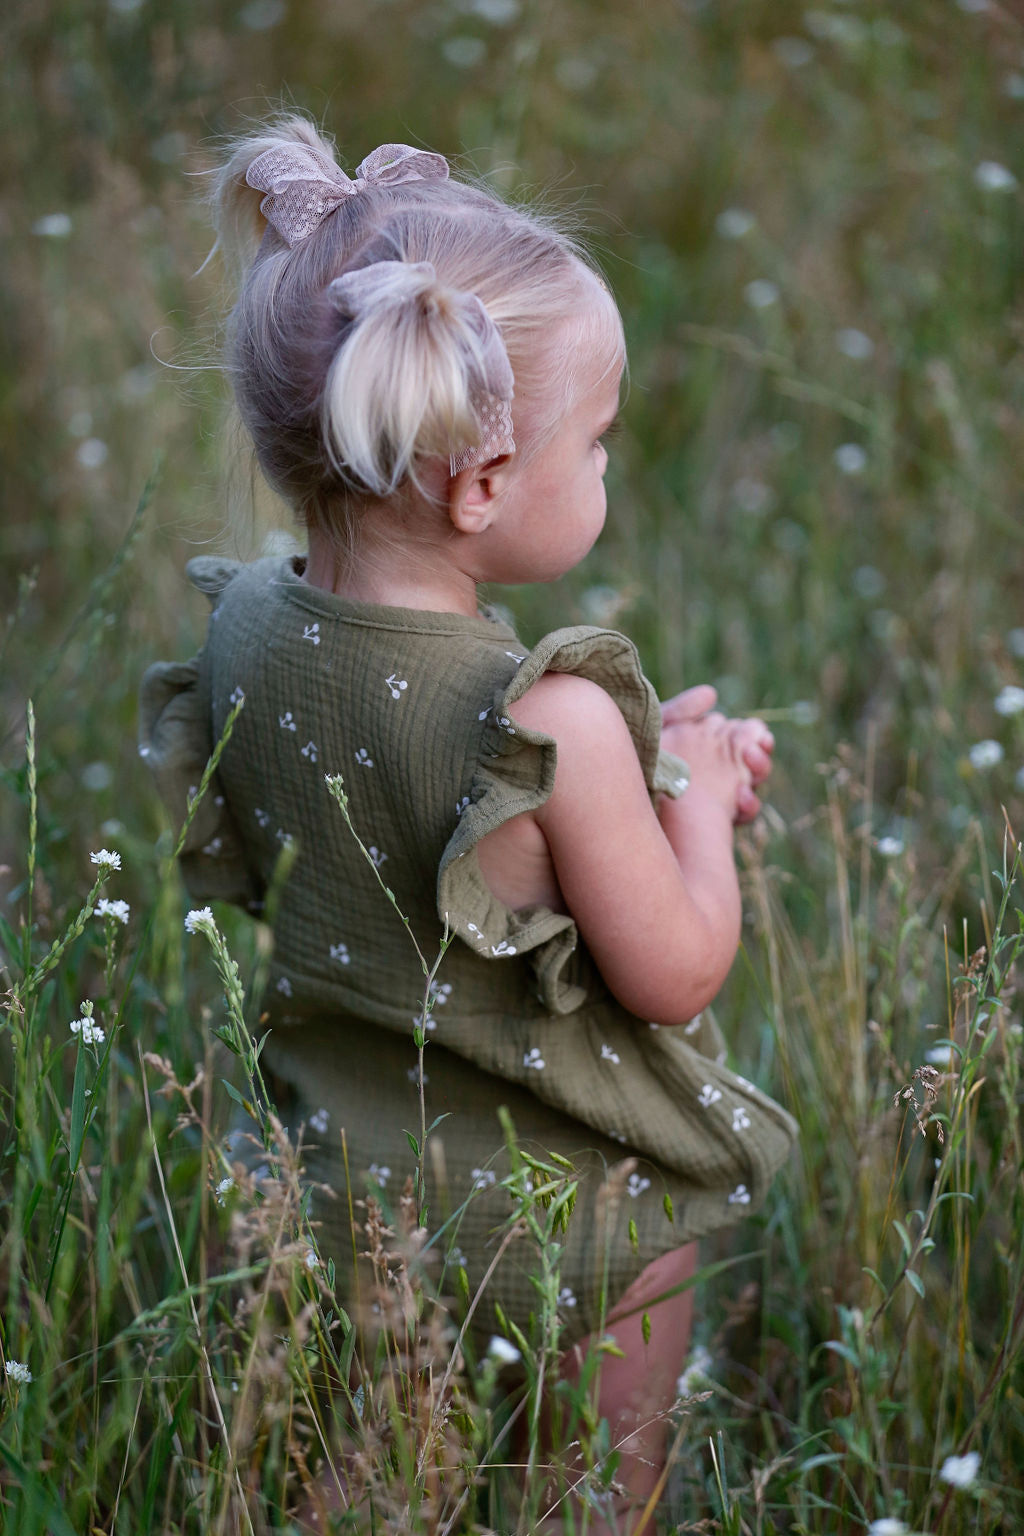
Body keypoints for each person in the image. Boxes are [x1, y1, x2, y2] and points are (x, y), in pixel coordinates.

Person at [140, 116, 797, 1530]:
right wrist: (698, 803)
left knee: (381, 1465)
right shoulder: (547, 722)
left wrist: (651, 767)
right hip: (571, 1216)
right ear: (482, 484)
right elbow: (675, 972)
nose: (609, 470)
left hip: (352, 1191)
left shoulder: (246, 622)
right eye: (599, 444)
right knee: (589, 1492)